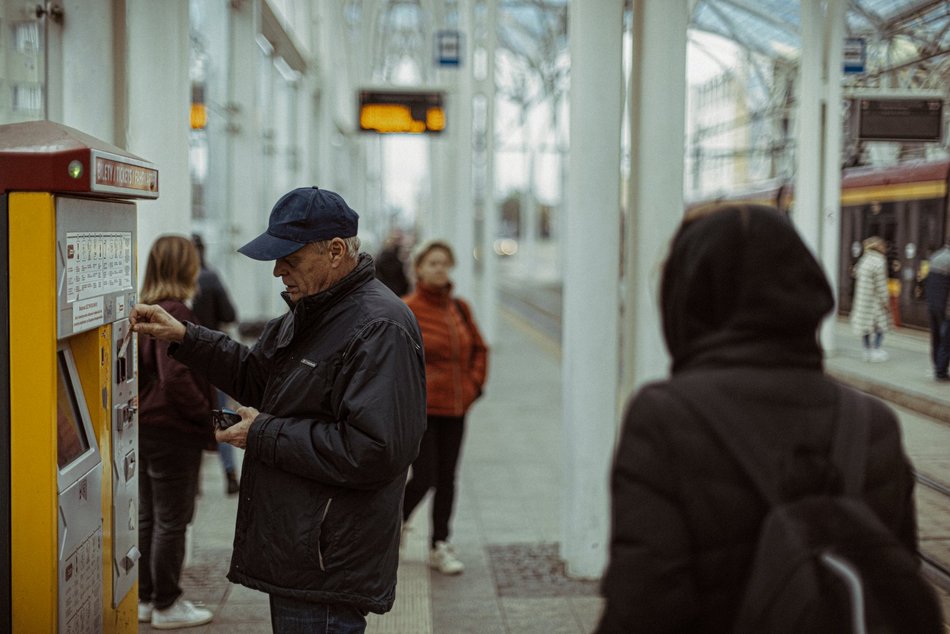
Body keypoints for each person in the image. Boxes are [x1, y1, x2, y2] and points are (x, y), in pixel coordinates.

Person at [596, 205, 920, 632]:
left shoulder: (664, 418)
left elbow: (643, 607)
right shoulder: (872, 422)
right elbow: (898, 588)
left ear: (689, 298)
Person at [131, 186, 427, 633]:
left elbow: (375, 449)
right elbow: (256, 376)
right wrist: (186, 338)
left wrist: (261, 434)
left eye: (289, 258)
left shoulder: (378, 328)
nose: (277, 271)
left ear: (334, 251)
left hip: (327, 561)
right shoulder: (311, 311)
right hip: (303, 546)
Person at [137, 235, 216, 629]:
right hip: (174, 431)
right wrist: (207, 417)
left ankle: (146, 598)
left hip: (146, 427)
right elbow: (177, 376)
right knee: (172, 519)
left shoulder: (144, 310)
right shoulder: (178, 313)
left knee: (149, 516)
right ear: (185, 267)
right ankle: (168, 604)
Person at [401, 240, 488, 575]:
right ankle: (396, 522)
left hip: (455, 407)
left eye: (445, 264)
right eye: (433, 263)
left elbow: (479, 349)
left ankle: (440, 543)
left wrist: (473, 386)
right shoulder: (407, 309)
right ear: (419, 268)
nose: (440, 269)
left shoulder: (460, 308)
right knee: (425, 476)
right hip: (422, 409)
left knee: (448, 478)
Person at [192, 233, 241, 494]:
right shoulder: (210, 278)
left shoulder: (178, 285)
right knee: (222, 416)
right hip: (212, 359)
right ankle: (230, 474)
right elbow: (230, 314)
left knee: (194, 415)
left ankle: (195, 482)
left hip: (185, 363)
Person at [850, 235, 892, 362]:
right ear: (879, 248)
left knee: (865, 326)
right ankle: (876, 350)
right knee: (880, 327)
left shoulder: (864, 260)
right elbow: (881, 285)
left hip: (863, 299)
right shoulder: (879, 261)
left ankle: (867, 350)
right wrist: (886, 302)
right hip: (875, 301)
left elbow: (855, 273)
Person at [925, 241, 950, 380]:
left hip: (933, 306)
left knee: (936, 339)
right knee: (946, 342)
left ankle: (937, 368)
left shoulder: (936, 256)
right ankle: (941, 372)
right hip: (947, 309)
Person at [374, 230, 410, 296]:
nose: (397, 242)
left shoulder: (397, 254)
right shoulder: (386, 255)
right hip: (390, 290)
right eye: (395, 239)